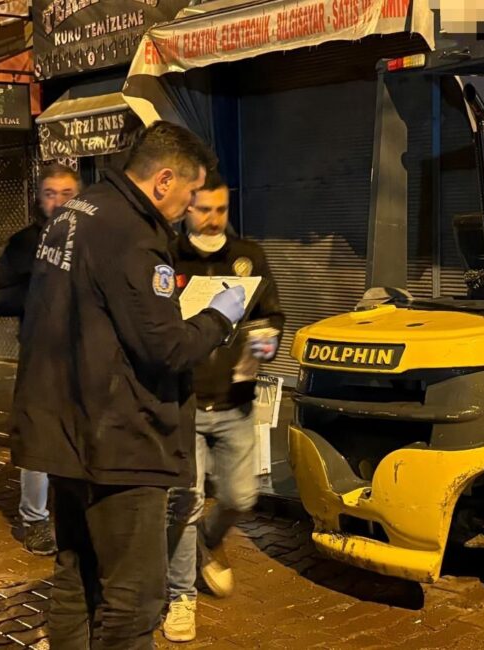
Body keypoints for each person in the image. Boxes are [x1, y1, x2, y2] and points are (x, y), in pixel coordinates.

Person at [10, 121, 247, 648]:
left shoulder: (74, 214)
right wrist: (219, 316)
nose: (189, 208)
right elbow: (166, 348)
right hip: (118, 439)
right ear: (163, 180)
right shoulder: (134, 235)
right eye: (189, 194)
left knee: (76, 575)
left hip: (64, 432)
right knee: (135, 599)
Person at [163, 172, 284, 642]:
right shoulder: (167, 257)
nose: (214, 220)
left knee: (241, 498)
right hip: (185, 404)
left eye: (221, 209)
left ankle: (210, 544)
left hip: (236, 402)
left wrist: (265, 343)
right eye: (203, 209)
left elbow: (271, 313)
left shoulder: (248, 256)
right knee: (184, 505)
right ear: (185, 209)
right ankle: (181, 597)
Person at [0, 163, 81, 556]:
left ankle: (77, 514)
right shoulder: (23, 244)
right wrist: (36, 284)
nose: (58, 202)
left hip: (87, 358)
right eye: (50, 194)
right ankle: (34, 521)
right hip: (41, 360)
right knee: (39, 442)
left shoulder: (94, 238)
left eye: (68, 194)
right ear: (38, 198)